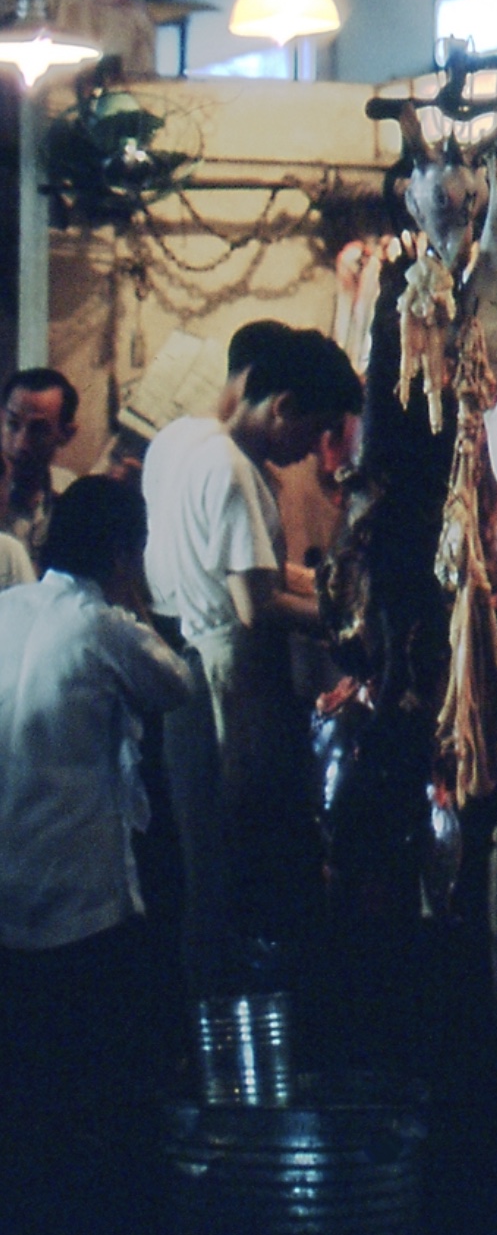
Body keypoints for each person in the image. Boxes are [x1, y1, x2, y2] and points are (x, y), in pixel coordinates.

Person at [0, 478, 192, 1235]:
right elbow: (177, 684)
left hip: (6, 882)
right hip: (80, 896)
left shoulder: (5, 610)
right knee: (93, 1078)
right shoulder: (104, 627)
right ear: (122, 553)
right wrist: (138, 600)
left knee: (23, 1078)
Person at [140, 324, 361, 985]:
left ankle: (211, 1014)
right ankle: (242, 1018)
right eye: (313, 430)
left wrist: (327, 585)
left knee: (201, 853)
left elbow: (258, 570)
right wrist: (344, 620)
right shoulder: (234, 471)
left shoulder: (175, 442)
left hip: (182, 662)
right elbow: (254, 602)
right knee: (241, 860)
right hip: (233, 677)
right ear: (283, 406)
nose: (309, 452)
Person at [1, 367, 80, 555]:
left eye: (38, 431)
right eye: (13, 425)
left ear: (66, 434)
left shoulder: (70, 494)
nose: (21, 444)